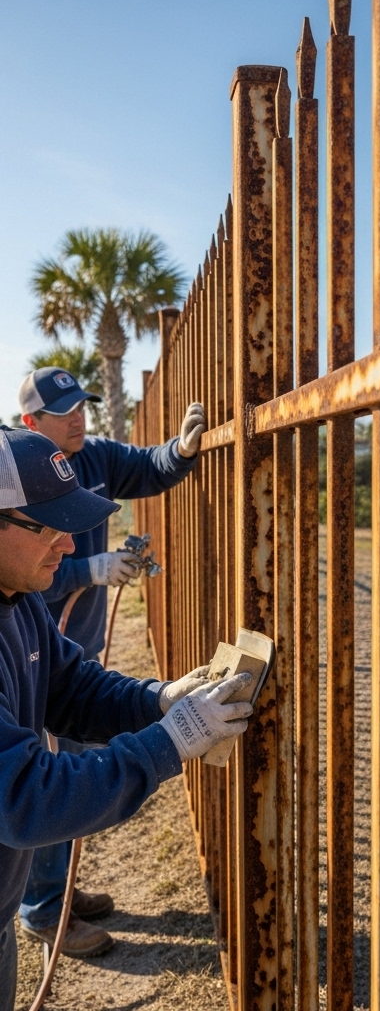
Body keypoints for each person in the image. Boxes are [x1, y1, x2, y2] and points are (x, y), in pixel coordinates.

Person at [0, 425, 252, 1011]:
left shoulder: (19, 598)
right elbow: (23, 797)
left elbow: (71, 686)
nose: (69, 545)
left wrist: (158, 699)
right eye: (49, 527)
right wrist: (169, 742)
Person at [16, 366, 207, 957]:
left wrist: (178, 451)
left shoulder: (92, 457)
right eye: (63, 411)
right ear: (31, 422)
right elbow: (28, 795)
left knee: (65, 750)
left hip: (67, 644)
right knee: (50, 772)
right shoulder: (21, 489)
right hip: (51, 639)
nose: (78, 417)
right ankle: (45, 907)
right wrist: (89, 571)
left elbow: (147, 468)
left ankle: (55, 893)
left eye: (81, 405)